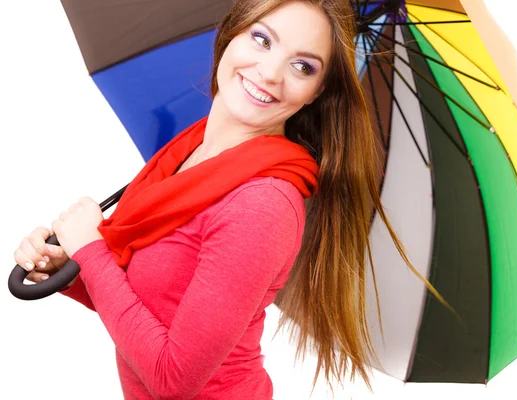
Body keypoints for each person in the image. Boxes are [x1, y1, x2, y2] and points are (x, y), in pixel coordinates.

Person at [13, 0, 448, 398]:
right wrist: (70, 268)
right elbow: (147, 305)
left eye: (302, 66)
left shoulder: (263, 204)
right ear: (231, 34)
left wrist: (92, 252)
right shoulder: (189, 148)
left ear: (316, 93)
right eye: (262, 39)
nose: (270, 72)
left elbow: (174, 380)